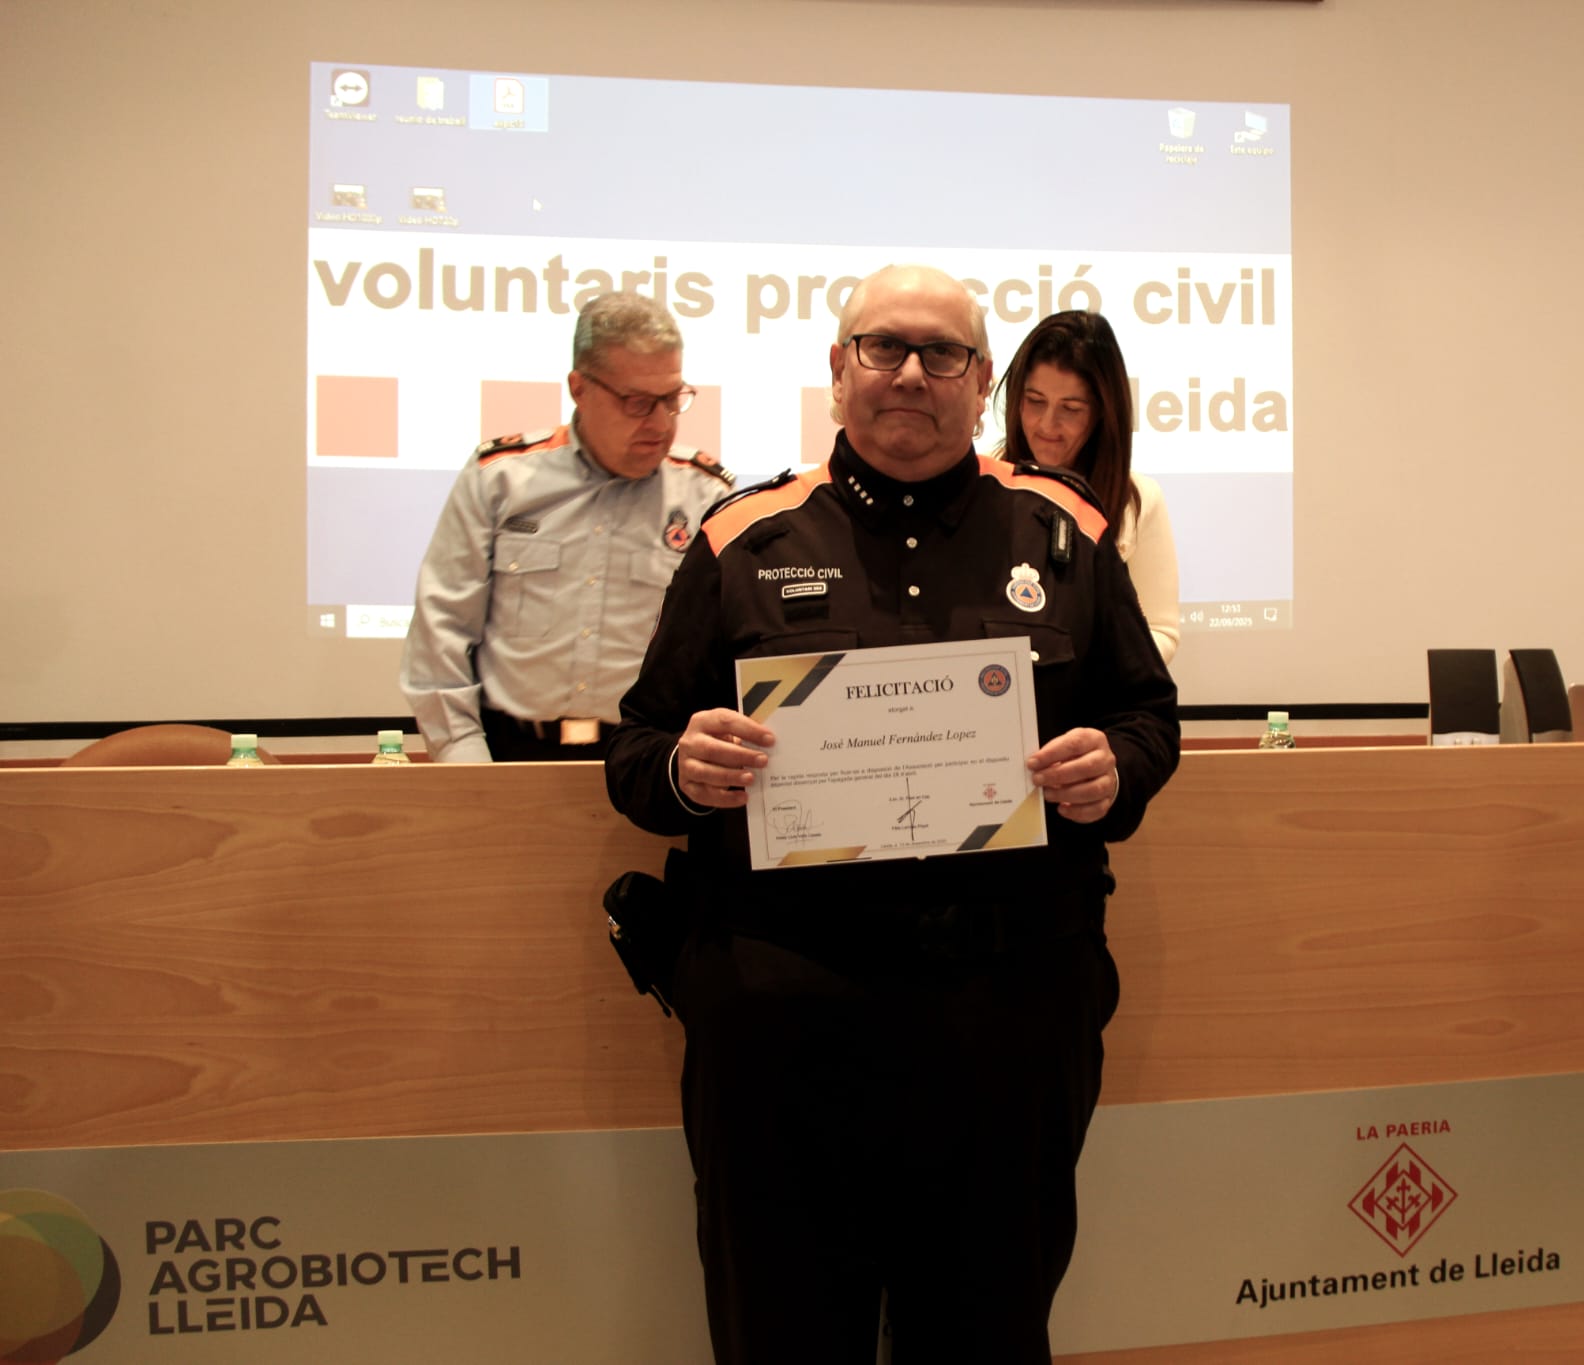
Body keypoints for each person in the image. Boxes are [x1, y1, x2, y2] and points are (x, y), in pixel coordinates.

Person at [605, 265, 1179, 1364]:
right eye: (884, 348)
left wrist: (1119, 766)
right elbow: (635, 752)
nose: (912, 374)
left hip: (1008, 1018)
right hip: (784, 1024)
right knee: (782, 1334)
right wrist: (682, 768)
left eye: (943, 353)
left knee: (986, 1335)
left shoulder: (1062, 531)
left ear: (981, 381)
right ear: (839, 369)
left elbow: (1148, 716)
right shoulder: (743, 539)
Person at [400, 292, 734, 761]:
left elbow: (724, 654)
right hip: (508, 755)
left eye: (672, 399)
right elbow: (442, 632)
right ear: (579, 389)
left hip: (647, 764)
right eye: (638, 402)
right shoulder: (500, 478)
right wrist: (465, 760)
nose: (661, 423)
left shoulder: (706, 495)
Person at [996, 309, 1181, 665]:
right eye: (1035, 401)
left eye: (1071, 409)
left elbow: (1161, 631)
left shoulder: (1137, 500)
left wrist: (1085, 673)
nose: (1047, 425)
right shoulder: (985, 480)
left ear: (1102, 413)